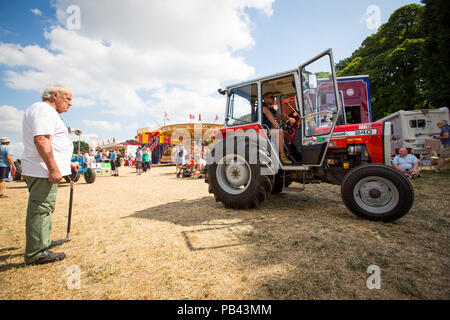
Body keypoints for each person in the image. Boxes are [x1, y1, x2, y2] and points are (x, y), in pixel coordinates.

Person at [21, 84, 79, 265]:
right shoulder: (44, 110)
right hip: (42, 170)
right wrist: (54, 168)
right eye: (67, 99)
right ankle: (36, 252)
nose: (70, 104)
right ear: (55, 95)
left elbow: (49, 143)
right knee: (41, 209)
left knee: (45, 208)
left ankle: (42, 242)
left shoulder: (45, 111)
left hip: (43, 168)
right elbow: (41, 139)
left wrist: (64, 162)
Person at [261, 92, 296, 165]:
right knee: (280, 132)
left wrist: (289, 119)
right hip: (261, 130)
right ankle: (282, 156)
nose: (274, 99)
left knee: (286, 133)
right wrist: (275, 124)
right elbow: (267, 113)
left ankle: (291, 152)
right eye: (272, 97)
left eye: (274, 97)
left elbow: (280, 116)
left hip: (268, 130)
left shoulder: (271, 109)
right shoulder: (263, 105)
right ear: (265, 99)